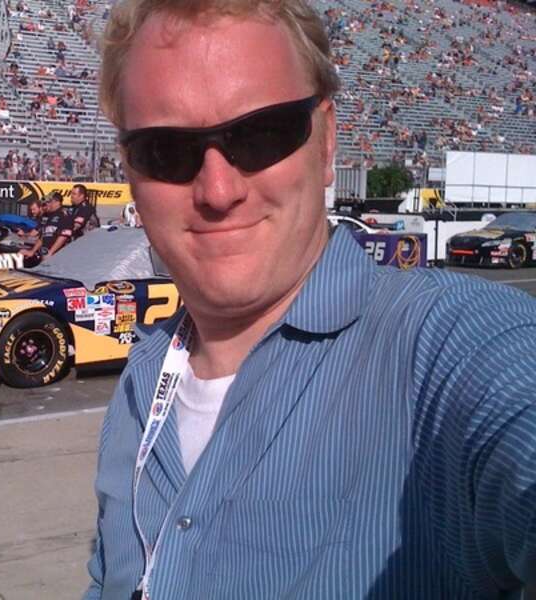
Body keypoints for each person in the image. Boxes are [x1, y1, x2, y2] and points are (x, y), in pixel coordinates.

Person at [84, 1, 536, 599]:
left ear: (325, 145)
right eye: (166, 149)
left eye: (261, 134)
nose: (218, 191)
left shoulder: (446, 350)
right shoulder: (143, 371)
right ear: (131, 171)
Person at [19, 192, 72, 266]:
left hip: (57, 257)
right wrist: (32, 251)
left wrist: (51, 252)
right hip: (45, 254)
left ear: (57, 202)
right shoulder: (49, 216)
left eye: (49, 202)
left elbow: (64, 236)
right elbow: (43, 236)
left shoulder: (64, 214)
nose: (47, 204)